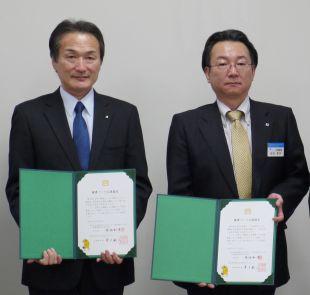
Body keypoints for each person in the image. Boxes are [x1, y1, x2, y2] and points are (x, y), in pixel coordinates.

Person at [6, 19, 152, 295]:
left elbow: (140, 185)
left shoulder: (125, 114)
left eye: (90, 57)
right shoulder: (29, 115)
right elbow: (18, 188)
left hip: (108, 265)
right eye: (71, 57)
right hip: (50, 265)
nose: (81, 66)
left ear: (100, 61)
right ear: (54, 61)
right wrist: (39, 240)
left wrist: (121, 238)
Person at [166, 29, 309, 295]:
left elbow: (298, 175)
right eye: (222, 64)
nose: (233, 71)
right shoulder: (185, 124)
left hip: (263, 254)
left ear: (253, 70)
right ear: (207, 73)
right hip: (208, 259)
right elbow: (181, 196)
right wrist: (192, 263)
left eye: (242, 63)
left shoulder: (280, 118)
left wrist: (281, 197)